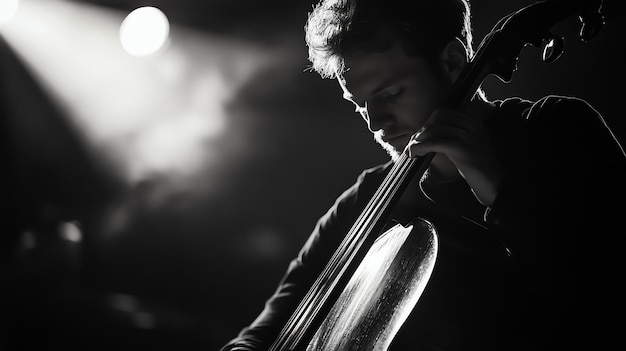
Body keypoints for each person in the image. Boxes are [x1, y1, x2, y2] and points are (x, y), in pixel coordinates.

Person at [220, 0, 625, 349]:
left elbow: (600, 296)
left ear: (451, 62)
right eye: (360, 105)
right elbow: (271, 324)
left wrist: (499, 193)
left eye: (390, 93)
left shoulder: (558, 129)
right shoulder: (369, 197)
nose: (376, 121)